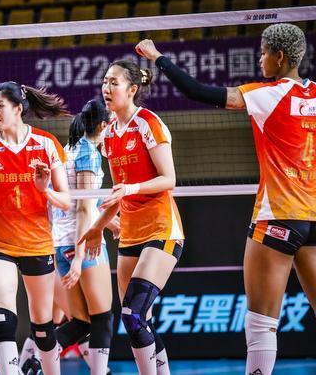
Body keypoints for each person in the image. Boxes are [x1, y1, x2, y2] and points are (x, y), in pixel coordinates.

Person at [135, 23, 316, 375]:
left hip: (278, 217)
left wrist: (157, 57)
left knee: (261, 324)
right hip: (314, 219)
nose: (260, 59)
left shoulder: (269, 94)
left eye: (263, 53)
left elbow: (197, 91)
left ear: (279, 57)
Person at [79, 60, 184, 375]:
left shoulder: (148, 123)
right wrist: (97, 228)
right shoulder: (110, 134)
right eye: (105, 81)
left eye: (114, 82)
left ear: (132, 89)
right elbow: (117, 193)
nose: (106, 88)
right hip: (130, 233)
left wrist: (132, 188)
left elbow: (169, 179)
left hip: (162, 229)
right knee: (141, 320)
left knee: (133, 315)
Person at [0, 82, 71, 375]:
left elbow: (66, 201)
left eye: (1, 106)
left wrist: (45, 190)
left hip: (37, 244)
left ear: (18, 108)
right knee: (3, 320)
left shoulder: (46, 143)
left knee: (43, 328)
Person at [51, 98, 117, 375]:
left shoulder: (68, 150)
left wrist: (110, 222)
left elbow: (85, 202)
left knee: (81, 322)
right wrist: (79, 257)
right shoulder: (88, 152)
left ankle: (34, 362)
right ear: (103, 125)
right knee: (102, 318)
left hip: (60, 242)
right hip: (81, 243)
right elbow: (82, 208)